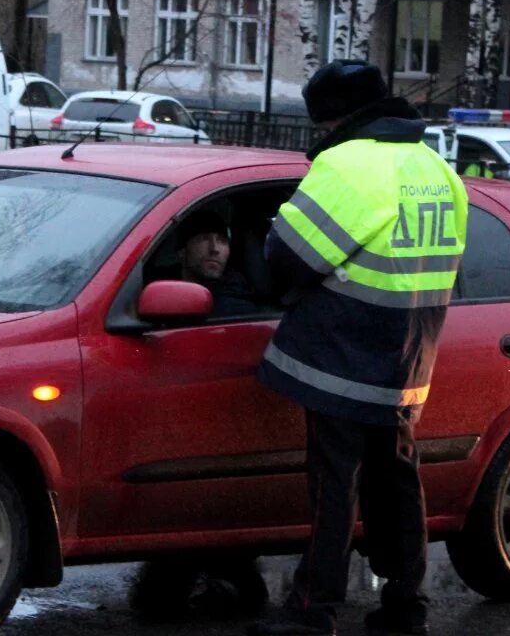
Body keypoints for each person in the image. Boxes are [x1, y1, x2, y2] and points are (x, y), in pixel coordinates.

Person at [248, 60, 468, 636]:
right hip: (410, 351)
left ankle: (311, 609)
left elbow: (286, 256)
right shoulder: (434, 167)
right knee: (397, 478)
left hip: (345, 350)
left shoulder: (347, 164)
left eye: (321, 126)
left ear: (335, 120)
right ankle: (405, 604)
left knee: (334, 483)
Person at [174, 209, 260, 318]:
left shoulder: (237, 310)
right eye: (204, 238)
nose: (214, 249)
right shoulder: (160, 294)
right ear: (182, 252)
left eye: (222, 241)